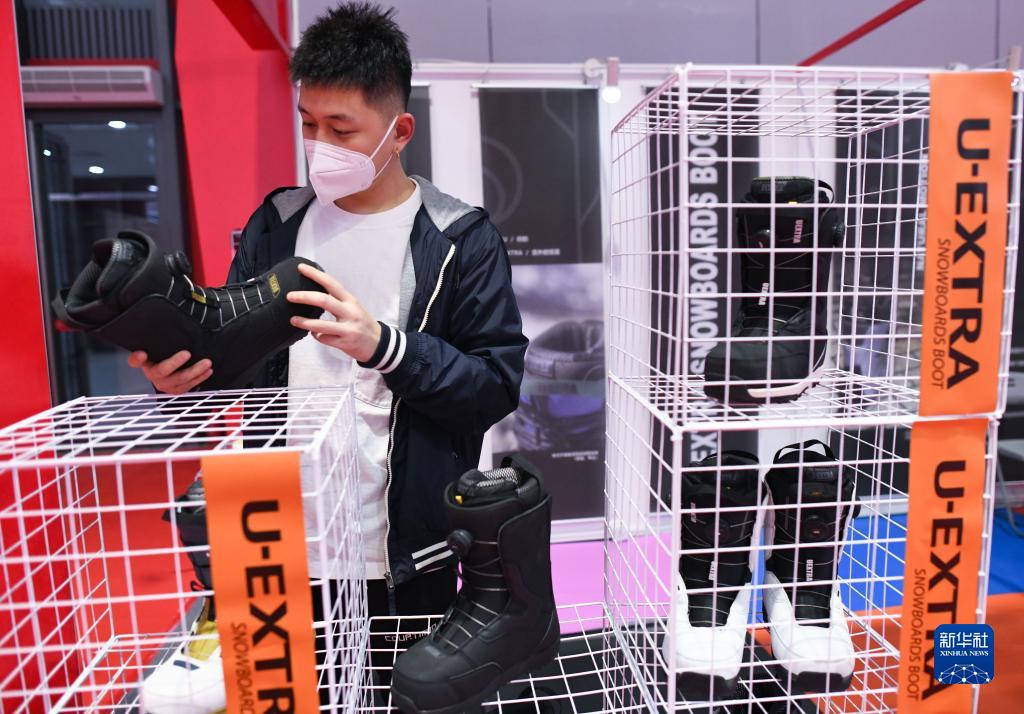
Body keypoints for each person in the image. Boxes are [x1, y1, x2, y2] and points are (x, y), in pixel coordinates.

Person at [131, 2, 527, 707]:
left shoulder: (459, 237)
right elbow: (236, 366)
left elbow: (494, 384)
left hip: (403, 552)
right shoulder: (277, 222)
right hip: (275, 539)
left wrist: (386, 346)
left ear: (399, 131)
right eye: (308, 124)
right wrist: (184, 374)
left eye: (342, 130)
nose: (320, 147)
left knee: (401, 697)